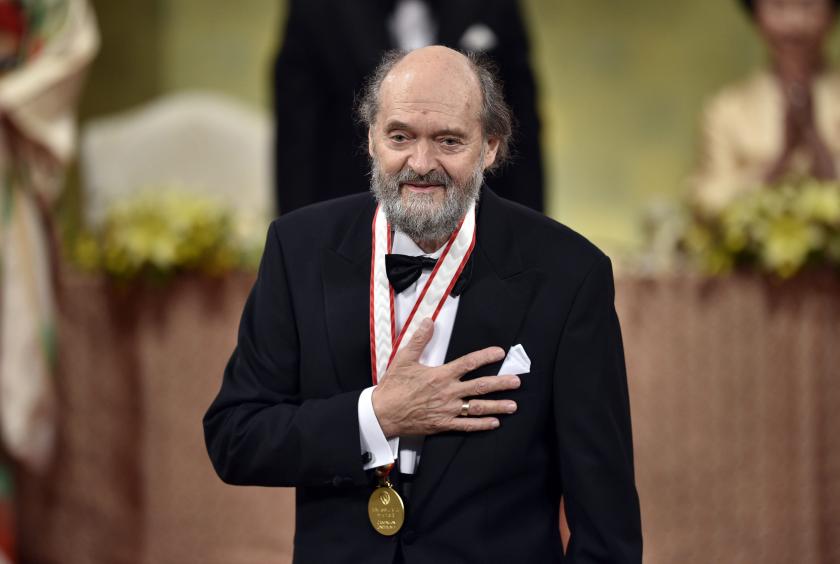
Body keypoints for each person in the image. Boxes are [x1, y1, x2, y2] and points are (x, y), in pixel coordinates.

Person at [204, 46, 641, 563]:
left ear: (491, 147)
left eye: (449, 140)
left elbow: (606, 527)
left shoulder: (570, 275)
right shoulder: (298, 249)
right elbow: (236, 437)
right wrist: (376, 415)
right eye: (400, 136)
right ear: (371, 138)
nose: (421, 163)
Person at [272, 0, 545, 214]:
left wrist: (530, 233)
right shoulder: (317, 8)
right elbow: (298, 137)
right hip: (349, 221)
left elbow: (521, 127)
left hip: (476, 226)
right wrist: (300, 241)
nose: (421, 164)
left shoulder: (493, 4)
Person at [691, 0, 840, 213]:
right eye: (778, 5)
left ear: (832, 12)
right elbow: (706, 201)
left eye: (808, 5)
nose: (794, 24)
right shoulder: (727, 109)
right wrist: (778, 165)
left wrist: (818, 146)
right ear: (755, 14)